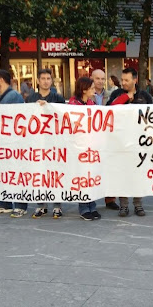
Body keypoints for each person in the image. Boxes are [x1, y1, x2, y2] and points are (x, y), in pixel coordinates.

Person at [107, 68, 153, 217]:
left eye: (126, 80)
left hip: (139, 142)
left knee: (138, 173)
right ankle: (124, 205)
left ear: (135, 80)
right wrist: (125, 98)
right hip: (120, 142)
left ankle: (138, 204)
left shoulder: (145, 95)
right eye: (122, 80)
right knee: (123, 174)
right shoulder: (116, 94)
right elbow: (107, 112)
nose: (123, 83)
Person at [0, 70, 26, 217]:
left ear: (1, 80)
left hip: (14, 142)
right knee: (3, 173)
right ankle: (5, 202)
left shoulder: (14, 96)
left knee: (17, 173)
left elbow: (21, 117)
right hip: (0, 143)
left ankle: (20, 205)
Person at [27, 69, 66, 219]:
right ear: (37, 81)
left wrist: (49, 106)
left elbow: (63, 116)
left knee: (55, 175)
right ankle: (40, 205)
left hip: (55, 143)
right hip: (37, 143)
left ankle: (57, 206)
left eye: (48, 78)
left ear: (52, 81)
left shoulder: (58, 98)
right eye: (42, 78)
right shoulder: (30, 98)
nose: (45, 81)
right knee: (39, 174)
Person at [68, 77, 102, 220]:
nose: (94, 91)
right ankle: (84, 207)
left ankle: (92, 206)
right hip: (78, 148)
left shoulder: (91, 103)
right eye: (92, 88)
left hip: (91, 147)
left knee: (91, 177)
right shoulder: (72, 104)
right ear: (84, 89)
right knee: (82, 178)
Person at [92, 68, 117, 210]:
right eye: (97, 79)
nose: (100, 81)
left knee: (110, 168)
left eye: (102, 79)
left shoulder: (110, 95)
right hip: (92, 138)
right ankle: (91, 199)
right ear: (92, 79)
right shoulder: (87, 95)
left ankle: (110, 199)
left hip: (108, 137)